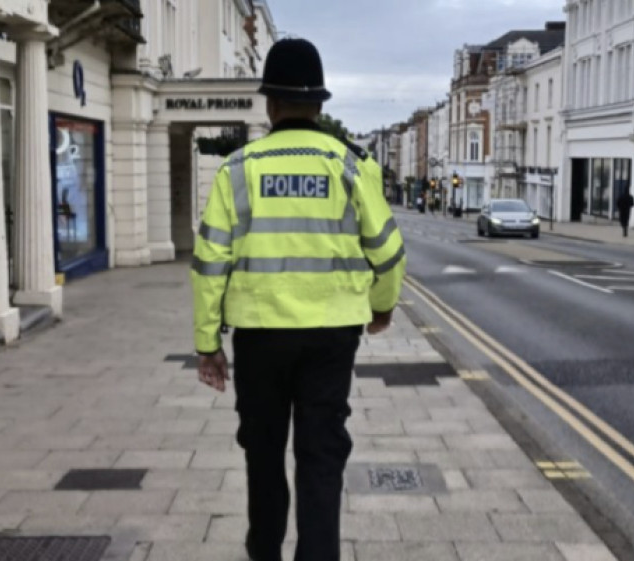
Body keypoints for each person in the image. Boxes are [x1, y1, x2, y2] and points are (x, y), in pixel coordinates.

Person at [191, 38, 406, 561]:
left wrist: (207, 343)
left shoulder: (236, 170)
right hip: (332, 338)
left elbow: (210, 263)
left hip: (260, 337)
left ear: (270, 104)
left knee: (263, 456)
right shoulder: (352, 166)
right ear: (319, 104)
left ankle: (264, 552)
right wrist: (381, 306)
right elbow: (388, 253)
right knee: (321, 458)